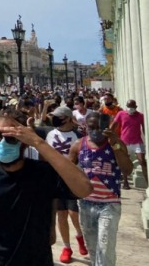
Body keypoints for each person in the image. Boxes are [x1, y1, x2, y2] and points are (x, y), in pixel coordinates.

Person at [0, 110, 93, 266]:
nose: (3, 143)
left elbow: (84, 188)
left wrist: (39, 142)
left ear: (24, 141)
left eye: (11, 138)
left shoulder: (43, 173)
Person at [68, 111, 133, 266]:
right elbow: (69, 169)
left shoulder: (115, 144)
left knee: (105, 250)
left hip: (109, 205)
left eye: (100, 127)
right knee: (93, 249)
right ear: (85, 127)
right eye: (92, 127)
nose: (96, 131)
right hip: (85, 204)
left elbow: (127, 170)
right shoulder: (78, 145)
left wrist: (116, 144)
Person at [45, 106, 87, 263]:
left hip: (72, 178)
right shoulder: (50, 134)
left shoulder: (78, 135)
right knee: (61, 214)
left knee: (73, 213)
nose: (55, 119)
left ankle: (79, 236)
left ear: (69, 118)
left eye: (59, 117)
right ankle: (67, 247)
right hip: (55, 179)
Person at [112, 99, 146, 189]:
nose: (130, 109)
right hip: (124, 142)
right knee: (124, 162)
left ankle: (147, 181)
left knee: (142, 161)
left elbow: (144, 128)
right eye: (129, 107)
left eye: (132, 107)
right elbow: (114, 125)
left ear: (135, 107)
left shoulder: (140, 116)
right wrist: (111, 135)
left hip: (137, 142)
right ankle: (126, 182)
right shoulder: (121, 114)